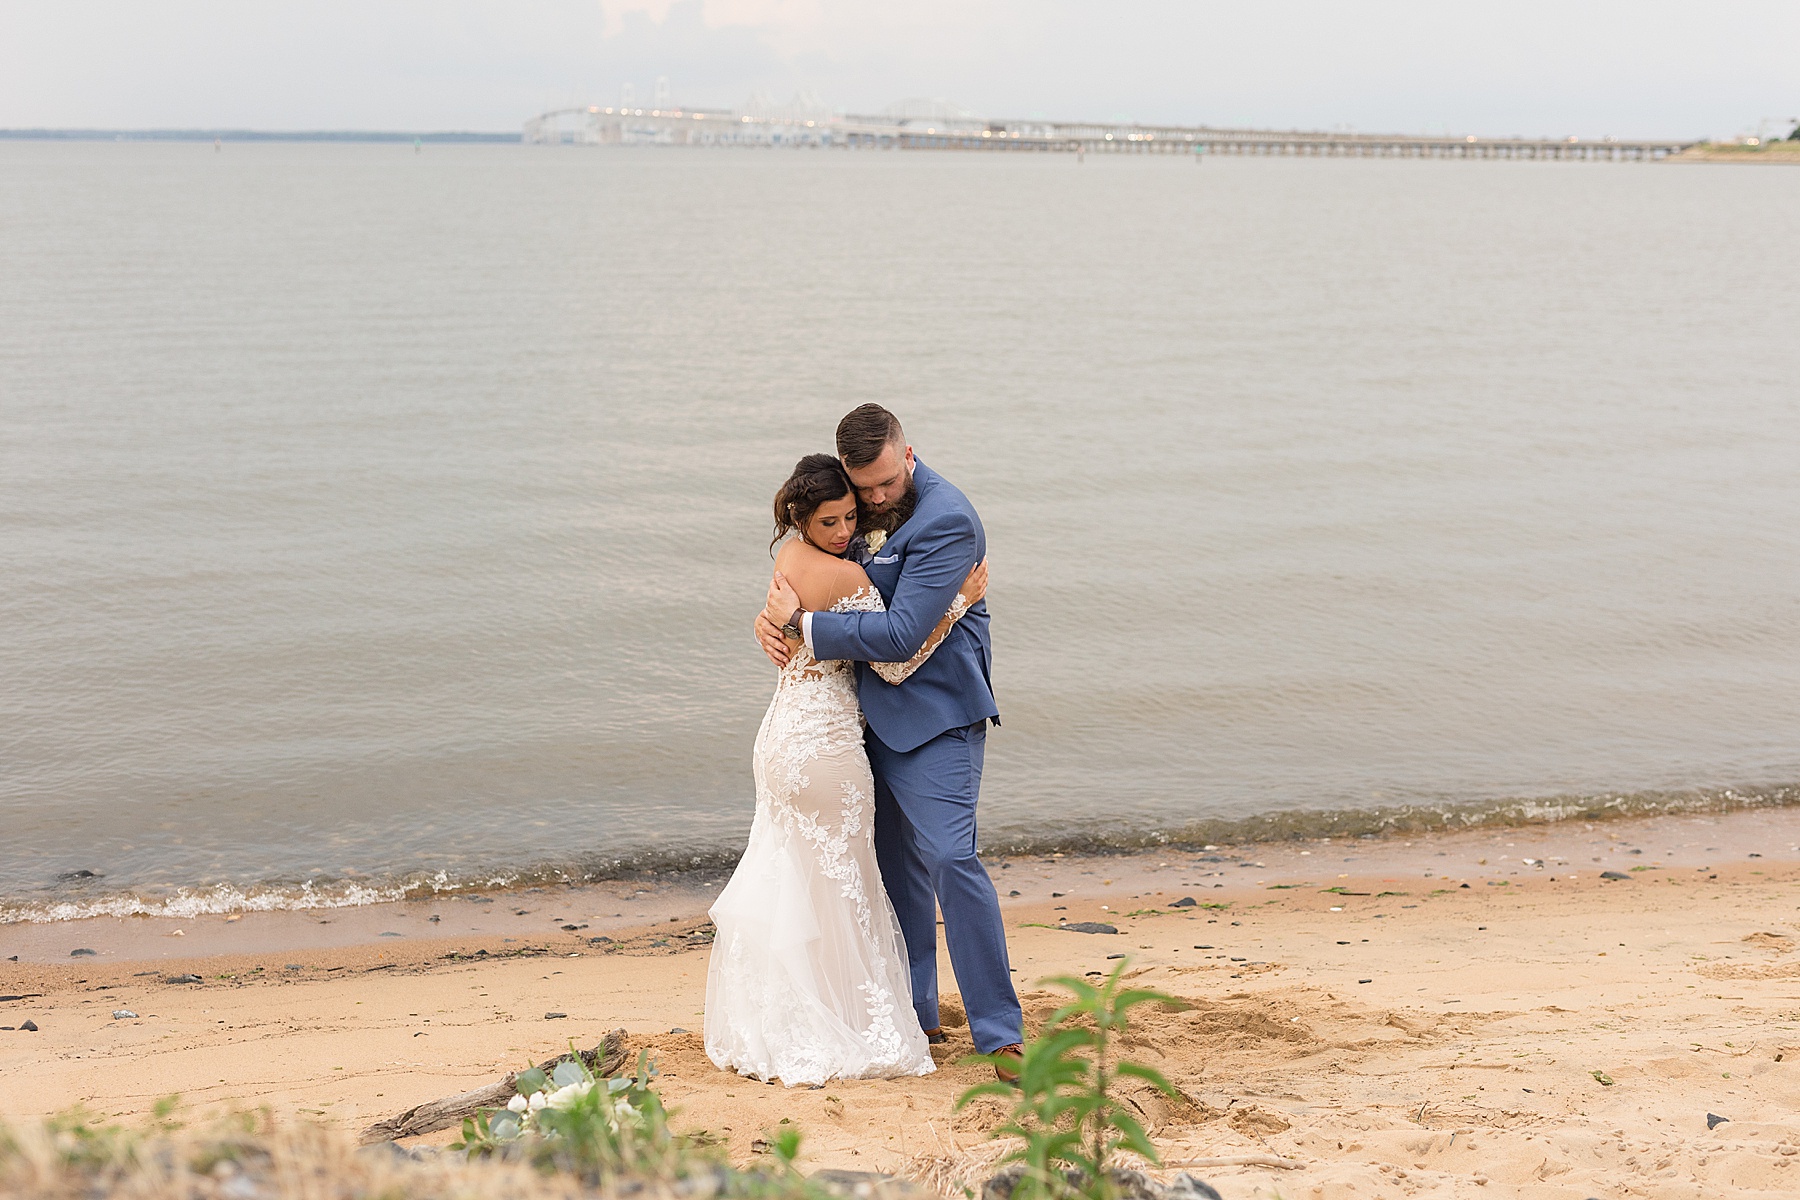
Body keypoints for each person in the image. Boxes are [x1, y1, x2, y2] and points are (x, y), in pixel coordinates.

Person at [754, 405, 1025, 1081]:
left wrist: (803, 627)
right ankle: (916, 1014)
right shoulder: (846, 510)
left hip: (934, 716)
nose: (872, 502)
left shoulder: (947, 521)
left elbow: (902, 635)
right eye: (860, 488)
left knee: (949, 861)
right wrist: (769, 622)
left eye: (882, 485)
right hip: (859, 721)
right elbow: (811, 567)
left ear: (909, 454)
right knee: (891, 873)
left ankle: (999, 1034)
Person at [705, 453, 986, 1086]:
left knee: (797, 880)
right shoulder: (847, 576)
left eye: (850, 518)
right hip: (827, 749)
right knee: (846, 889)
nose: (843, 532)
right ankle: (849, 1026)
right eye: (830, 521)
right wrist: (960, 603)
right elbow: (892, 659)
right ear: (801, 517)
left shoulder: (788, 562)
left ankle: (787, 1019)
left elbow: (792, 632)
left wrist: (776, 622)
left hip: (779, 741)